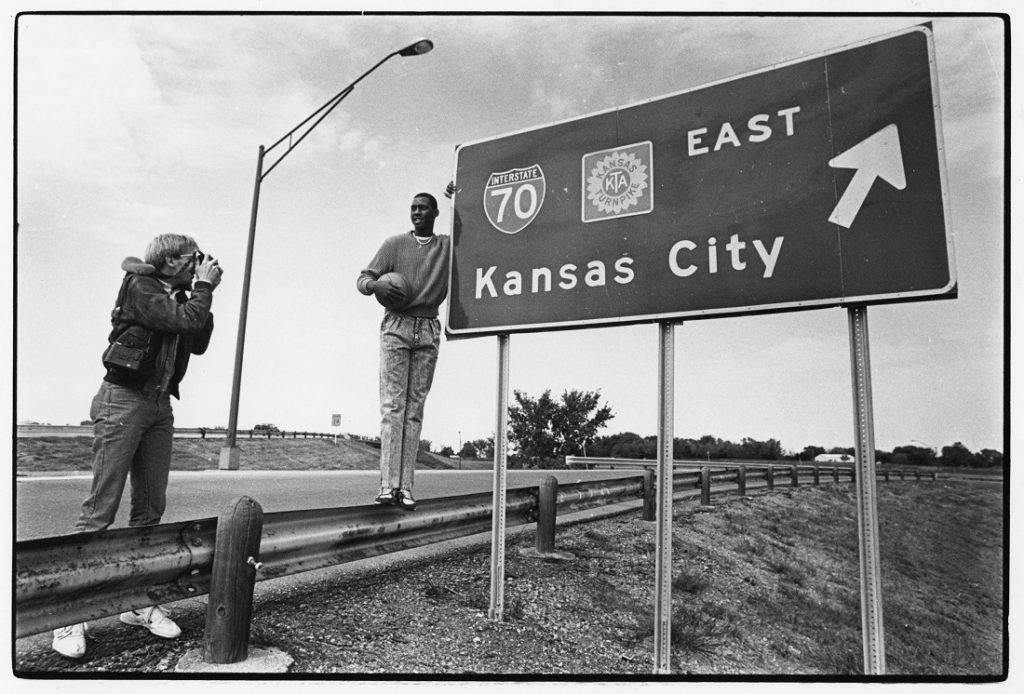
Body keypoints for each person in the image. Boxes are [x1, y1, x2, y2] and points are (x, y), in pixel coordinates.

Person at [51, 234, 223, 659]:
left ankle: (139, 603)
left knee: (150, 510)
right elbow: (181, 322)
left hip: (159, 406)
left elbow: (197, 341)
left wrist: (204, 294)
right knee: (99, 510)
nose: (197, 264)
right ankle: (69, 614)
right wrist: (201, 290)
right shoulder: (141, 286)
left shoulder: (181, 295)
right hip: (122, 401)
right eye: (192, 259)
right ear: (168, 261)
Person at [357, 189, 453, 510]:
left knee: (414, 410)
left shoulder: (445, 247)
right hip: (396, 326)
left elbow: (469, 232)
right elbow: (363, 278)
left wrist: (457, 195)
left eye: (424, 208)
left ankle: (406, 487)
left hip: (427, 327)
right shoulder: (394, 244)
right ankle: (387, 485)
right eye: (413, 208)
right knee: (392, 406)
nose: (416, 213)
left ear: (436, 213)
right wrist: (376, 286)